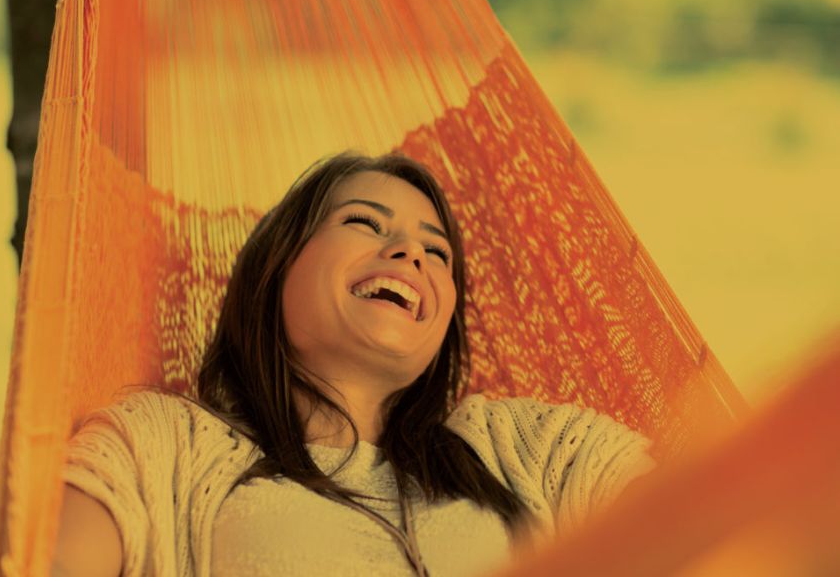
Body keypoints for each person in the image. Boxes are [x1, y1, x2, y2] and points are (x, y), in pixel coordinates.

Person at [53, 152, 655, 577]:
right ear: (277, 266)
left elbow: (692, 522)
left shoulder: (528, 449)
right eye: (364, 222)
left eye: (437, 252)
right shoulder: (165, 443)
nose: (410, 252)